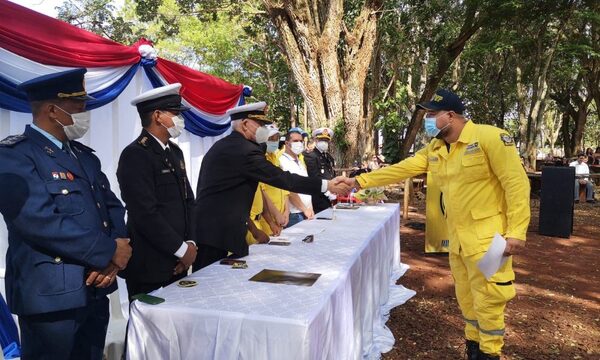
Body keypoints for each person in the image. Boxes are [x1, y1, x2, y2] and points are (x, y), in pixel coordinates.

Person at [340, 89, 530, 360]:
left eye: (432, 114)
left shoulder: (490, 137)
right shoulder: (436, 148)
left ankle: (490, 354)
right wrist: (359, 181)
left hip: (490, 240)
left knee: (490, 300)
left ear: (450, 116)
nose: (428, 120)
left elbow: (516, 184)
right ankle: (474, 349)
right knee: (467, 300)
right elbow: (403, 169)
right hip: (459, 241)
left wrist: (517, 231)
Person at [0, 69, 132, 359]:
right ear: (52, 110)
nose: (86, 113)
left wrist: (115, 255)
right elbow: (37, 220)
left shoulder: (83, 155)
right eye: (79, 106)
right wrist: (109, 250)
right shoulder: (13, 155)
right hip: (51, 298)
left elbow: (111, 206)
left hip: (96, 288)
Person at [191, 102, 350, 270]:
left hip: (222, 232)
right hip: (215, 237)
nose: (264, 130)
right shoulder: (243, 150)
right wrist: (327, 185)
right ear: (245, 125)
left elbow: (229, 196)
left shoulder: (230, 145)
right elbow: (282, 179)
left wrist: (253, 230)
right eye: (260, 125)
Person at [116, 84, 197, 300]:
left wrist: (191, 244)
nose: (180, 120)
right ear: (158, 116)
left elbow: (188, 201)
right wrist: (181, 249)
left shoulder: (174, 152)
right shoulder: (135, 155)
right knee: (147, 330)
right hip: (150, 263)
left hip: (179, 260)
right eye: (176, 114)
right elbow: (144, 213)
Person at [279, 127, 315, 227]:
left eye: (301, 141)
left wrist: (310, 207)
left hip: (307, 212)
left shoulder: (300, 162)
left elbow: (306, 187)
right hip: (294, 214)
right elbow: (289, 189)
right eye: (295, 141)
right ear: (286, 143)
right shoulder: (282, 162)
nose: (299, 143)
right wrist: (304, 209)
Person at [304, 127, 337, 214]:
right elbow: (314, 177)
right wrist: (327, 192)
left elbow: (331, 175)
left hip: (330, 197)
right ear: (316, 140)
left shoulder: (328, 157)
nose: (324, 142)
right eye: (322, 139)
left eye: (326, 140)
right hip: (318, 198)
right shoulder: (311, 156)